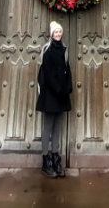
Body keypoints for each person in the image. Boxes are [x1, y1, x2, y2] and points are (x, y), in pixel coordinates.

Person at [36, 20, 73, 178]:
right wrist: (58, 89)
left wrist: (68, 87)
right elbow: (48, 73)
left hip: (61, 94)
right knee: (48, 127)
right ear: (51, 34)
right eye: (56, 32)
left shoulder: (64, 50)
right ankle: (46, 160)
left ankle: (56, 157)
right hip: (51, 95)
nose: (58, 34)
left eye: (60, 32)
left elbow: (67, 69)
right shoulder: (47, 50)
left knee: (57, 127)